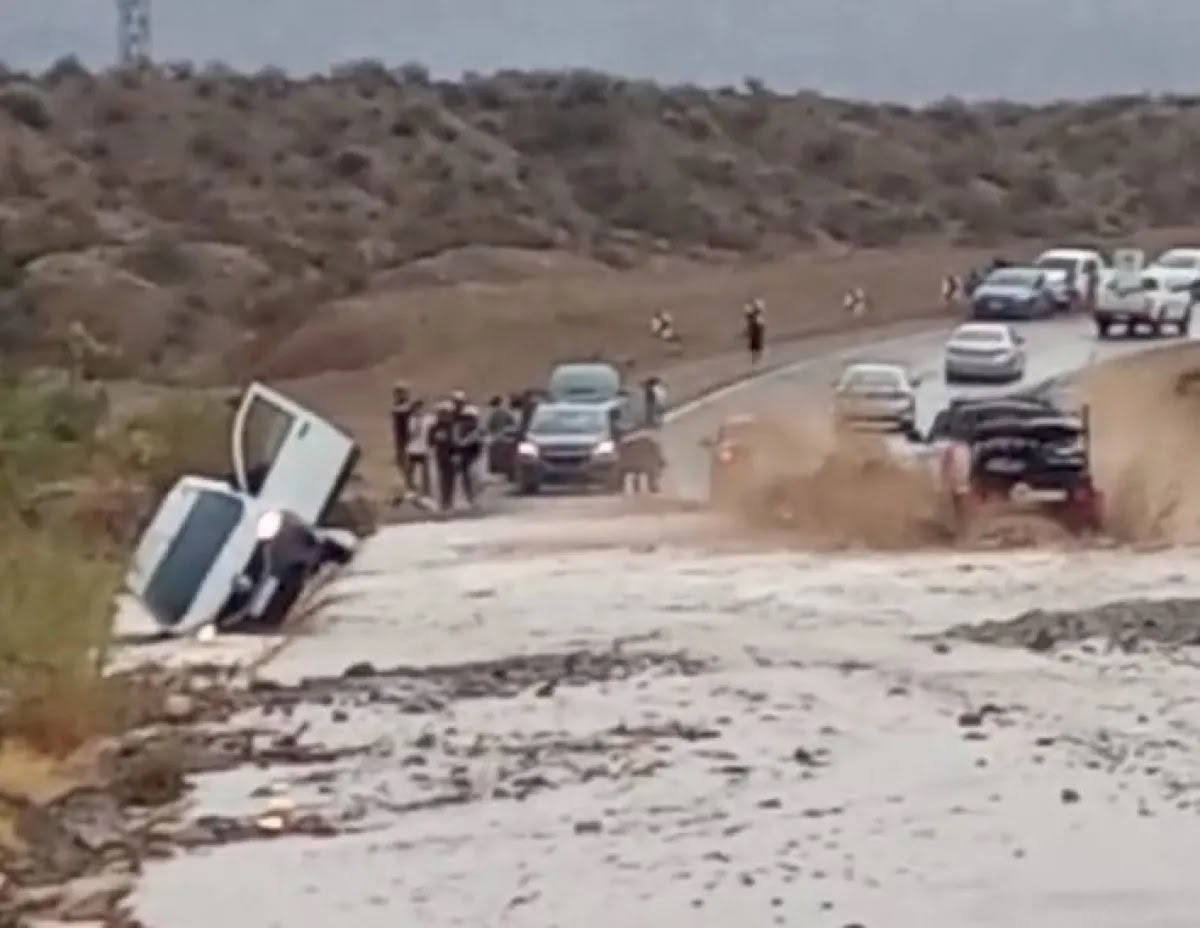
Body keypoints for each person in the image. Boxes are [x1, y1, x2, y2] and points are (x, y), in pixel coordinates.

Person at [451, 393, 483, 505]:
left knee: (473, 475)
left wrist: (465, 441)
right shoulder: (454, 416)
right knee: (463, 475)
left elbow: (476, 433)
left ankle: (472, 497)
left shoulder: (470, 415)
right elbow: (455, 433)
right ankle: (466, 498)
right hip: (461, 450)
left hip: (473, 450)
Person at [428, 402, 458, 511]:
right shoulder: (435, 427)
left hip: (452, 454)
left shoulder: (453, 426)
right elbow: (430, 441)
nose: (445, 415)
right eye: (443, 413)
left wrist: (457, 454)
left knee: (451, 479)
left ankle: (449, 501)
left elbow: (456, 442)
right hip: (440, 455)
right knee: (442, 479)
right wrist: (436, 439)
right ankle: (444, 500)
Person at [405, 398, 433, 500]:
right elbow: (411, 433)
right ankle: (410, 489)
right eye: (416, 408)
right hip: (413, 449)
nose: (418, 410)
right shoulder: (411, 419)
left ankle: (427, 492)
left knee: (426, 472)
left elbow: (434, 427)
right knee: (409, 471)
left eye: (420, 408)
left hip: (424, 449)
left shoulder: (429, 419)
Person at [390, 381, 414, 494]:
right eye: (397, 392)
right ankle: (407, 484)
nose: (398, 394)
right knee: (401, 462)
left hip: (408, 439)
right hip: (400, 439)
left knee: (408, 462)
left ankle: (410, 484)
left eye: (400, 392)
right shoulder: (397, 406)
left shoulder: (408, 406)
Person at [743, 298, 766, 365]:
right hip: (755, 334)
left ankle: (756, 363)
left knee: (757, 350)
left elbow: (757, 326)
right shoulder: (754, 318)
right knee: (756, 350)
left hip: (756, 334)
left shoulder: (756, 318)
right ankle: (756, 363)